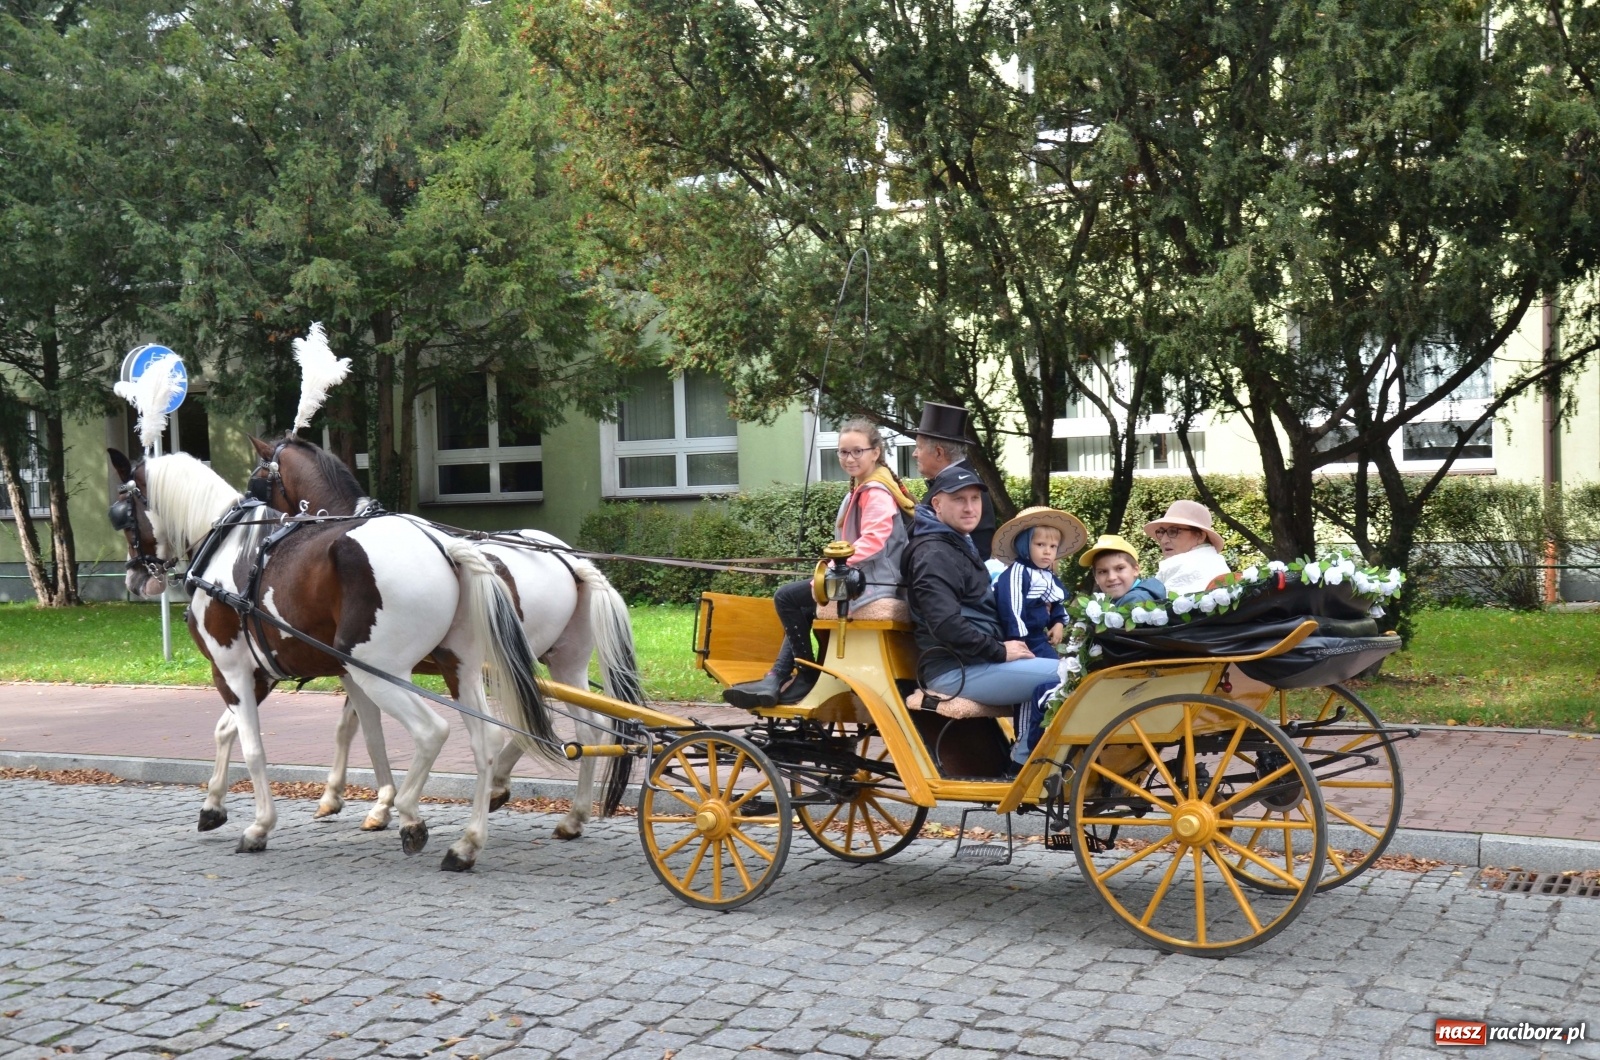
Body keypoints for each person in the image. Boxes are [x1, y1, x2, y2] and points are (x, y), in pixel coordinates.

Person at [724, 418, 916, 709]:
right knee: (801, 602)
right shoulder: (869, 484)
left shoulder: (875, 491)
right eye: (843, 452)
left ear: (875, 452)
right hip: (864, 579)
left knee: (786, 597)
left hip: (872, 585)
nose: (849, 459)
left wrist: (832, 568)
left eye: (857, 452)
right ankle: (776, 676)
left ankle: (805, 673)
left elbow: (874, 540)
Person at [903, 464, 1060, 769]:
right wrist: (1000, 651)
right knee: (1067, 675)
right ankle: (1026, 763)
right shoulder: (933, 553)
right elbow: (946, 624)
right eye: (959, 499)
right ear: (937, 504)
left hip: (975, 662)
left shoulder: (957, 544)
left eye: (975, 499)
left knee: (1063, 670)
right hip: (954, 670)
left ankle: (1037, 758)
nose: (970, 507)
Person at [992, 507, 1088, 659]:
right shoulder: (1017, 573)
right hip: (1018, 638)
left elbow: (1055, 601)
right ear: (1024, 545)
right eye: (1040, 544)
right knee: (1044, 674)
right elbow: (1011, 608)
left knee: (1056, 671)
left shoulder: (1046, 575)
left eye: (1053, 546)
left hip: (1038, 636)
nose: (1047, 551)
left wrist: (1058, 623)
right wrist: (1018, 639)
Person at [912, 402, 997, 560]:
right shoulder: (954, 480)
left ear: (939, 453)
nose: (914, 454)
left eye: (919, 447)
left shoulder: (962, 485)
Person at [1144, 499, 1230, 594]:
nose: (1164, 540)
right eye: (1161, 532)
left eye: (1173, 531)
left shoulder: (1179, 566)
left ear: (1200, 536)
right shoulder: (1217, 562)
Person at [1080, 533, 1167, 606]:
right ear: (1096, 578)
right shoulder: (1115, 601)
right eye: (1103, 571)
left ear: (1135, 570)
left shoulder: (1135, 601)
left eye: (1120, 568)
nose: (1111, 577)